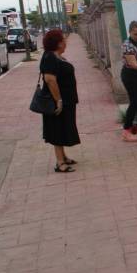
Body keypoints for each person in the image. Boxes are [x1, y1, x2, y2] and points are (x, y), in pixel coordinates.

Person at [40, 29, 79, 173]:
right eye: (63, 40)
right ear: (58, 43)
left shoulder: (55, 56)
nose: (65, 42)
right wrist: (59, 100)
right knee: (57, 129)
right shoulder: (49, 57)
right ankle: (60, 162)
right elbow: (50, 80)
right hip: (57, 101)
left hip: (67, 100)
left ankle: (63, 156)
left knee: (63, 127)